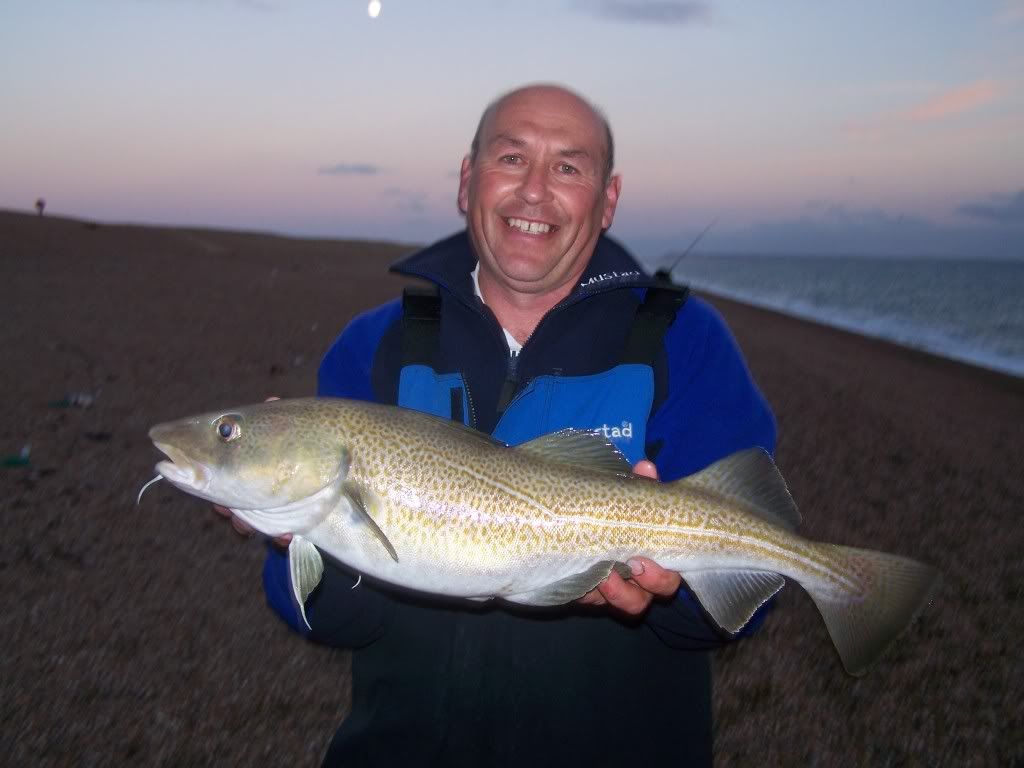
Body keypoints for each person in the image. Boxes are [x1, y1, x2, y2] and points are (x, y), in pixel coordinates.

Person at [223, 84, 776, 766]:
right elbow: (332, 620)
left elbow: (743, 606)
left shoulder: (685, 342)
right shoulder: (377, 345)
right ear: (467, 181)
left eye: (568, 167)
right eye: (511, 158)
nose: (535, 191)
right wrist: (300, 536)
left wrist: (677, 592)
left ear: (607, 200)